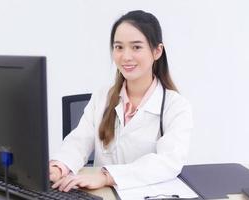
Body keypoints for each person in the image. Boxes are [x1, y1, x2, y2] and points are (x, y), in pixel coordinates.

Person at [49, 10, 193, 192]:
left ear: (157, 51)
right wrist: (59, 166)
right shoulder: (103, 97)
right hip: (103, 195)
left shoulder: (176, 106)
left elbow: (168, 162)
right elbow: (79, 141)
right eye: (119, 47)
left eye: (136, 47)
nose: (126, 56)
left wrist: (106, 177)